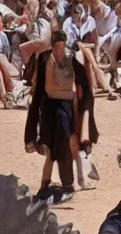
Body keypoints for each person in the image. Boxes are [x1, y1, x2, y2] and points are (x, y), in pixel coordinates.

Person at [24, 30, 96, 201]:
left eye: (62, 46)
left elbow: (85, 85)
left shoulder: (72, 59)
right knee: (50, 150)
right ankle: (45, 185)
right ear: (52, 45)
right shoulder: (44, 59)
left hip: (66, 108)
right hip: (49, 108)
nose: (60, 50)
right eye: (57, 46)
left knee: (67, 146)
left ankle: (71, 182)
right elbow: (41, 89)